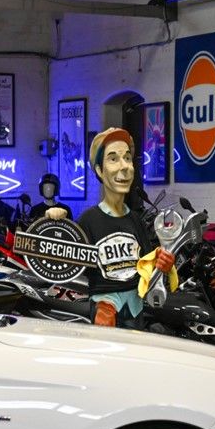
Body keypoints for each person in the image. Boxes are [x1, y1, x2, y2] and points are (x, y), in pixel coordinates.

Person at [76, 127, 175, 328]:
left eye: (127, 158)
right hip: (104, 311)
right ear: (99, 170)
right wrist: (55, 221)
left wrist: (162, 264)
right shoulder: (88, 220)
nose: (124, 166)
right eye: (113, 159)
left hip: (136, 308)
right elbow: (68, 266)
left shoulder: (135, 220)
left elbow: (145, 265)